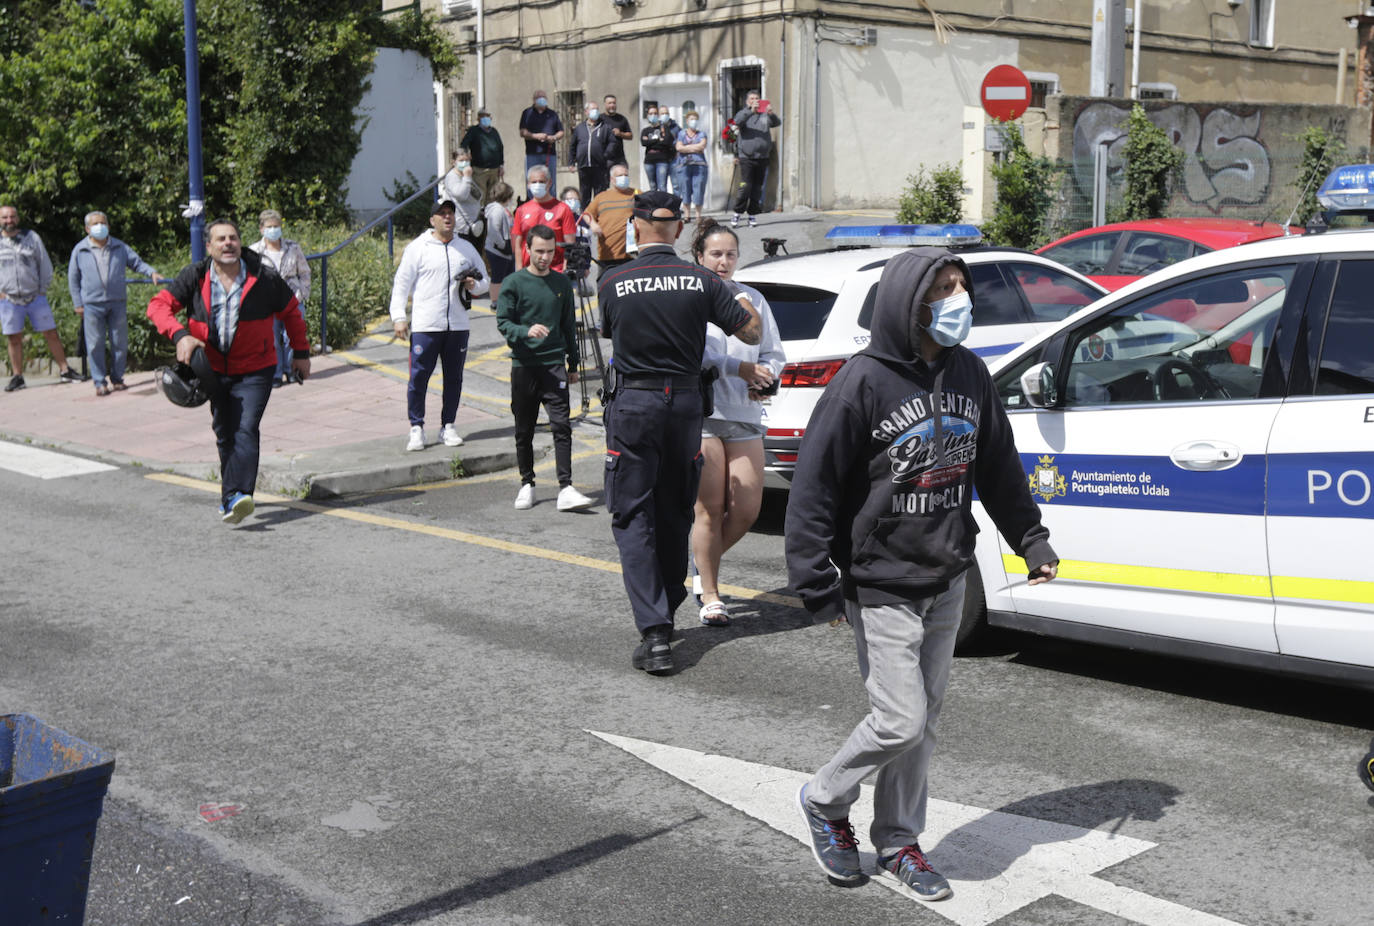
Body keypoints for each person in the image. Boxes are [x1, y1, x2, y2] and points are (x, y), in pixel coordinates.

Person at [786, 248, 1058, 899]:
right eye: (942, 288)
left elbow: (996, 461)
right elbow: (814, 487)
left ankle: (900, 841)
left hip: (946, 577)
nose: (957, 298)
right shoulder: (862, 382)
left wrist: (1031, 539)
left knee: (924, 723)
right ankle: (825, 799)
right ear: (910, 301)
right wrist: (815, 581)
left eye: (961, 286)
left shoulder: (968, 371)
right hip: (882, 584)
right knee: (899, 720)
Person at [597, 190, 762, 675]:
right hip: (686, 405)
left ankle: (654, 632)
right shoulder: (703, 280)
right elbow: (750, 333)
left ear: (637, 225)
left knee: (632, 515)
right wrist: (736, 301)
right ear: (678, 228)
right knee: (674, 511)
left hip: (635, 405)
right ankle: (665, 609)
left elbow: (611, 331)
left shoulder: (613, 280)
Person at [147, 218, 310, 524]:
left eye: (233, 237)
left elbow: (290, 312)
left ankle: (240, 494)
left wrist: (300, 353)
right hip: (211, 371)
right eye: (220, 239)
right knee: (225, 432)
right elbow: (158, 306)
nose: (228, 243)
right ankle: (230, 498)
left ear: (240, 241)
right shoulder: (194, 276)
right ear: (209, 246)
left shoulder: (263, 276)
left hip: (256, 368)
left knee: (245, 427)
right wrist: (179, 335)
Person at [689, 219, 784, 626]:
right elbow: (692, 356)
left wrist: (766, 376)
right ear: (699, 257)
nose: (724, 262)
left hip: (744, 415)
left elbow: (773, 351)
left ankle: (699, 562)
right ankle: (710, 592)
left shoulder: (752, 299)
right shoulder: (691, 299)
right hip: (705, 413)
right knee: (708, 509)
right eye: (715, 254)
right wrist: (739, 368)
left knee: (746, 509)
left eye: (730, 254)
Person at [495, 224, 594, 513]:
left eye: (550, 252)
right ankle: (527, 483)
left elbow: (568, 328)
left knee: (562, 425)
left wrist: (573, 364)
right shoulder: (513, 283)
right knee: (523, 429)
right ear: (527, 248)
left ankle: (566, 487)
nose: (545, 257)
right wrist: (525, 331)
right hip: (524, 366)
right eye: (539, 251)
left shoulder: (562, 284)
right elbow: (503, 322)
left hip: (554, 365)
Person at [388, 199, 490, 453]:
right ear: (432, 219)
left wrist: (474, 286)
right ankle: (416, 427)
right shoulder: (418, 248)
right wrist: (398, 316)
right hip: (426, 325)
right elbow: (402, 283)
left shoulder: (465, 248)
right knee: (419, 377)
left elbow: (485, 280)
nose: (448, 218)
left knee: (454, 378)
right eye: (441, 214)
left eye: (450, 214)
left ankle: (448, 425)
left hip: (457, 325)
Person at [68, 211, 166, 395]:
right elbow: (73, 279)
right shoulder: (80, 250)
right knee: (95, 343)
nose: (100, 227)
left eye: (103, 223)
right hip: (91, 304)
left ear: (109, 226)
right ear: (87, 228)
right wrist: (77, 303)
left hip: (117, 302)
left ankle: (118, 378)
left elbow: (137, 263)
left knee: (119, 342)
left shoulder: (120, 247)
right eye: (96, 224)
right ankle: (99, 382)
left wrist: (152, 272)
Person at [0, 204, 80, 392]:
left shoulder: (31, 237)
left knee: (51, 333)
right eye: (5, 218)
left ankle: (65, 370)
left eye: (12, 217)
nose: (9, 221)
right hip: (9, 299)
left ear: (17, 219)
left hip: (35, 297)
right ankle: (17, 376)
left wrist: (42, 289)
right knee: (14, 338)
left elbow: (44, 264)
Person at [248, 209, 311, 388]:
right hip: (267, 303)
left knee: (293, 337)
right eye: (269, 227)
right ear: (261, 229)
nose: (273, 230)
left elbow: (305, 272)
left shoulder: (293, 247)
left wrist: (303, 293)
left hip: (293, 300)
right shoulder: (254, 251)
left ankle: (291, 371)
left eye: (276, 226)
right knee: (271, 339)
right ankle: (275, 374)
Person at [511, 165, 576, 273]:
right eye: (534, 182)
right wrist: (519, 271)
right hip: (528, 273)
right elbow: (518, 245)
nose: (537, 185)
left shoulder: (563, 209)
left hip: (555, 272)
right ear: (528, 185)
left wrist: (565, 270)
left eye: (541, 181)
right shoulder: (521, 210)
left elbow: (570, 244)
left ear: (549, 183)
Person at [731, 91, 781, 228]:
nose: (755, 101)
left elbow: (777, 122)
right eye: (752, 99)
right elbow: (736, 122)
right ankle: (737, 212)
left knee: (757, 188)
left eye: (757, 98)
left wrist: (771, 113)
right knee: (745, 186)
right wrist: (751, 111)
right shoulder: (743, 113)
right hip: (746, 157)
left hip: (762, 157)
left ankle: (752, 214)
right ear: (747, 101)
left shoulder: (764, 115)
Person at [582, 164, 637, 280]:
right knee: (605, 289)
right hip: (607, 255)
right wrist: (593, 224)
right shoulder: (601, 197)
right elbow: (587, 214)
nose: (624, 178)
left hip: (631, 256)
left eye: (626, 175)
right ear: (612, 179)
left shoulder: (637, 194)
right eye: (620, 175)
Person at [441, 148, 487, 255]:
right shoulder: (452, 177)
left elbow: (478, 195)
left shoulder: (467, 176)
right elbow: (461, 195)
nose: (465, 163)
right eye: (461, 160)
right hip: (462, 228)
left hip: (474, 226)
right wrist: (466, 177)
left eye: (467, 160)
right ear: (454, 162)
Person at [569, 101, 615, 208]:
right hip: (583, 166)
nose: (595, 111)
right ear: (586, 112)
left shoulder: (605, 127)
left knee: (600, 194)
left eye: (597, 109)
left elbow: (612, 142)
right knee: (585, 194)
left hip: (599, 166)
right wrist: (571, 162)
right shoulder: (580, 128)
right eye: (592, 109)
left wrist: (606, 155)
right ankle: (585, 217)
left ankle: (600, 217)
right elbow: (572, 145)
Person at [459, 107, 505, 205]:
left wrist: (501, 166)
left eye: (488, 116)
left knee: (493, 196)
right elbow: (463, 145)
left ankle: (490, 217)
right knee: (480, 196)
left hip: (494, 170)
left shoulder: (494, 132)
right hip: (479, 170)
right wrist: (464, 158)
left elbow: (500, 148)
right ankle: (480, 217)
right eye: (483, 116)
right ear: (478, 118)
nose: (486, 118)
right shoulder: (473, 131)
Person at [483, 181, 516, 307]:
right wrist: (503, 245)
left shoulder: (501, 209)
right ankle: (495, 302)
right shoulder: (497, 210)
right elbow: (494, 231)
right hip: (498, 250)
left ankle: (504, 299)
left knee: (505, 276)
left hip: (504, 250)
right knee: (498, 276)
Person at [518, 90, 563, 182]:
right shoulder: (527, 113)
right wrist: (535, 136)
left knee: (550, 181)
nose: (542, 99)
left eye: (544, 97)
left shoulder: (552, 114)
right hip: (532, 154)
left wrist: (553, 138)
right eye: (539, 97)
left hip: (550, 154)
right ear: (534, 100)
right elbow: (522, 132)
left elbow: (561, 132)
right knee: (533, 181)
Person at [674, 111, 710, 224]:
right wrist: (694, 148)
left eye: (695, 119)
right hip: (684, 165)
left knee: (698, 189)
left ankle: (698, 215)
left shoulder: (702, 134)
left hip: (699, 166)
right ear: (687, 121)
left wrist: (686, 147)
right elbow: (679, 147)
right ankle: (687, 215)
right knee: (685, 189)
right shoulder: (681, 133)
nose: (693, 121)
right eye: (691, 119)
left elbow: (702, 146)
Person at [640, 106, 675, 193]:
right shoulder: (645, 130)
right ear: (647, 115)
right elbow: (644, 143)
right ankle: (654, 206)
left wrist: (650, 141)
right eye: (651, 114)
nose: (653, 115)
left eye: (655, 113)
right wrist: (658, 139)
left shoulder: (664, 128)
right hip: (649, 161)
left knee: (662, 186)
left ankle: (663, 205)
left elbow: (666, 142)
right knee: (652, 186)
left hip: (662, 160)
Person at [601, 94, 634, 168]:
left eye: (614, 103)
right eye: (610, 103)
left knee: (623, 178)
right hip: (604, 158)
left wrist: (620, 134)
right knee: (605, 179)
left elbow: (630, 136)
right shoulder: (600, 119)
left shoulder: (622, 119)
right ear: (605, 104)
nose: (612, 105)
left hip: (619, 158)